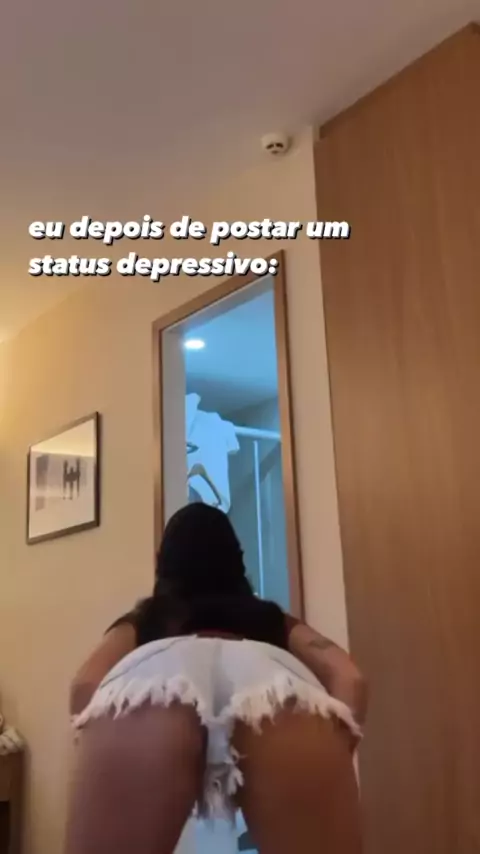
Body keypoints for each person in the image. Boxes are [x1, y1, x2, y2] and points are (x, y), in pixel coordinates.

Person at [64, 504, 367, 854]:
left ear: (160, 562)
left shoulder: (147, 618)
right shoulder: (270, 618)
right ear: (238, 563)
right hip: (271, 692)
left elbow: (84, 685)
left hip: (157, 687)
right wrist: (331, 750)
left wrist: (99, 749)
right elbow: (351, 679)